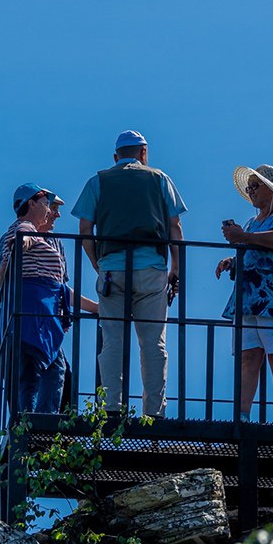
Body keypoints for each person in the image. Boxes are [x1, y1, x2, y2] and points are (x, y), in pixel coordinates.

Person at [73, 130, 187, 418]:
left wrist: (98, 263)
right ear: (143, 153)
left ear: (116, 157)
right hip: (152, 269)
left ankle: (112, 407)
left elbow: (85, 229)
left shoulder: (98, 181)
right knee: (153, 343)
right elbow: (175, 227)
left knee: (112, 339)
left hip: (112, 270)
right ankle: (154, 412)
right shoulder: (160, 179)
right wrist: (176, 268)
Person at [0, 183, 91, 414]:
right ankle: (37, 422)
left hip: (44, 314)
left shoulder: (54, 241)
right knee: (46, 371)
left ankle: (32, 422)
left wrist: (95, 307)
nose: (54, 213)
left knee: (45, 372)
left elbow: (60, 288)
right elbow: (20, 237)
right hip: (34, 313)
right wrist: (21, 244)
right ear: (32, 204)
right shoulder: (24, 229)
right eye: (49, 206)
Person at [217, 164, 273, 425]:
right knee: (248, 357)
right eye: (249, 186)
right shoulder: (252, 223)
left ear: (272, 190)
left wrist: (243, 237)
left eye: (255, 186)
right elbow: (255, 250)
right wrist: (233, 261)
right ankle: (242, 415)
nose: (250, 190)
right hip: (249, 299)